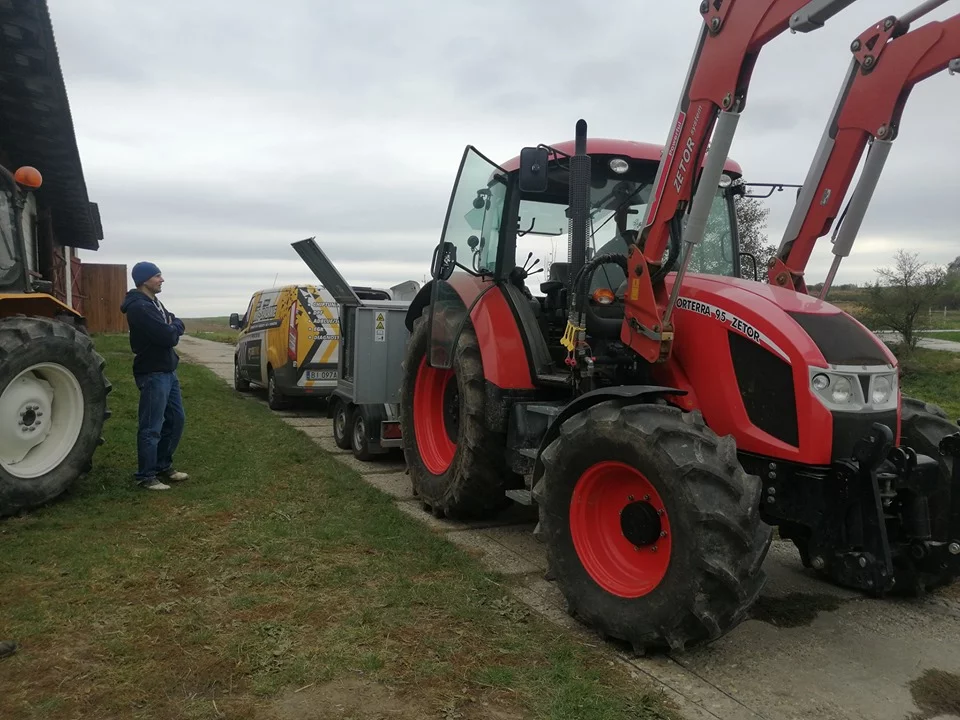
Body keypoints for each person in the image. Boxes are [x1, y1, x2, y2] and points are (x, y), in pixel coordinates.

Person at [120, 261, 189, 491]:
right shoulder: (139, 307)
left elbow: (173, 321)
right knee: (151, 426)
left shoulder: (154, 302)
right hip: (152, 372)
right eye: (157, 276)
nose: (162, 280)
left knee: (176, 420)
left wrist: (173, 325)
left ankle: (162, 465)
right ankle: (146, 475)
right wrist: (173, 327)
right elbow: (168, 336)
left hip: (168, 371)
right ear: (144, 280)